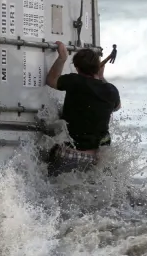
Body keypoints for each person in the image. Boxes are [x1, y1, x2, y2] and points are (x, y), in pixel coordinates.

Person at [45, 41, 121, 176]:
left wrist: (62, 58)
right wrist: (102, 77)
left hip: (68, 154)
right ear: (98, 67)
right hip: (94, 159)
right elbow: (117, 107)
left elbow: (51, 80)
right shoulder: (111, 90)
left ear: (77, 67)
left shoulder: (74, 81)